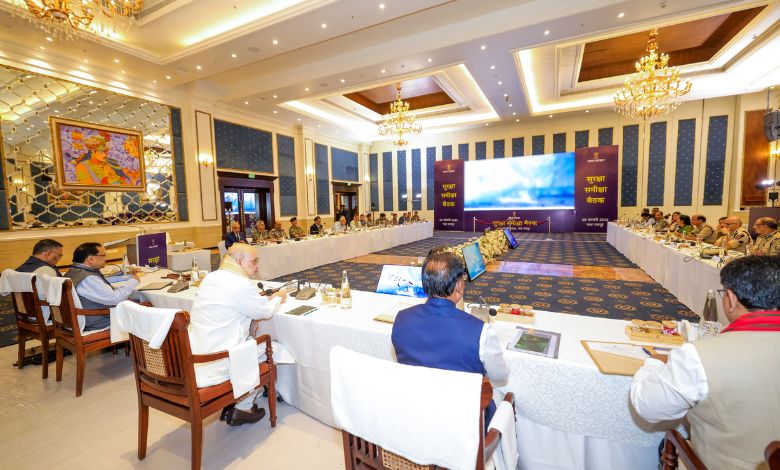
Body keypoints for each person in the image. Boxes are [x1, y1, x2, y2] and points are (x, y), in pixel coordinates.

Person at [630, 255, 780, 470]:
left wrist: (654, 364)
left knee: (666, 442)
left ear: (731, 299)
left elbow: (648, 406)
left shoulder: (699, 356)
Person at [391, 252, 509, 424]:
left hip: (416, 413)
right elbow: (500, 377)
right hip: (466, 421)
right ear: (459, 286)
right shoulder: (481, 331)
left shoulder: (401, 319)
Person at [189, 244, 288, 426]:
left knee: (250, 342)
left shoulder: (211, 277)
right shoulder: (240, 284)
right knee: (275, 348)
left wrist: (262, 299)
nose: (257, 266)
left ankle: (234, 400)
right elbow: (264, 312)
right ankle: (243, 406)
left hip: (197, 356)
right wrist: (279, 299)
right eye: (254, 261)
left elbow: (240, 302)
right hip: (219, 361)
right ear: (240, 262)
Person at [65, 242, 139, 331]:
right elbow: (115, 299)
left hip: (80, 320)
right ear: (91, 259)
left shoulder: (74, 271)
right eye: (103, 255)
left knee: (133, 301)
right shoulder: (89, 279)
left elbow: (100, 289)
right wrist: (133, 281)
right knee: (146, 307)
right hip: (98, 323)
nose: (106, 258)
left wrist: (124, 279)